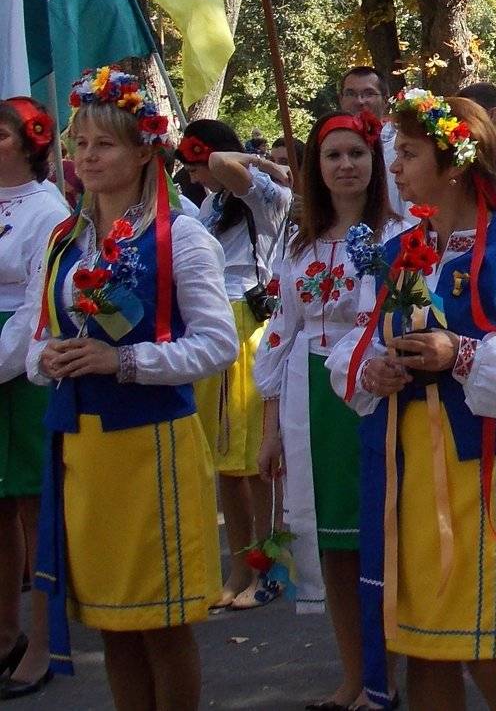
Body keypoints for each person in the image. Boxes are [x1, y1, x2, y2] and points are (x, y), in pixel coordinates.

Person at [11, 68, 236, 706]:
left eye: (103, 144)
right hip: (82, 450)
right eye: (79, 144)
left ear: (144, 152)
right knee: (112, 623)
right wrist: (49, 358)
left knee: (161, 622)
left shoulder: (180, 236)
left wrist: (123, 362)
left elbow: (217, 343)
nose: (86, 157)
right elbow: (35, 339)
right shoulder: (65, 241)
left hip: (152, 448)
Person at [328, 93, 496, 710]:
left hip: (481, 476)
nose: (393, 167)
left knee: (490, 655)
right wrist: (372, 367)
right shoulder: (396, 253)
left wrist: (460, 352)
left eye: (407, 153)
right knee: (425, 647)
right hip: (405, 473)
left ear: (454, 163)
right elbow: (358, 337)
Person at [254, 110, 398, 710]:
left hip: (373, 397)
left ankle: (386, 676)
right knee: (334, 548)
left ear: (375, 162)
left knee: (379, 543)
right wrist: (270, 431)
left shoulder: (399, 235)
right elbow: (280, 334)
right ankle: (353, 676)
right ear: (315, 166)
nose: (345, 166)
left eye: (356, 154)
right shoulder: (300, 243)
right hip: (311, 400)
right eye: (332, 155)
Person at [177, 118, 293, 611]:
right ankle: (240, 564)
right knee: (225, 461)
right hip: (213, 323)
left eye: (196, 165)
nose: (196, 176)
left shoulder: (265, 196)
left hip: (249, 322)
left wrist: (258, 159)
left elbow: (222, 162)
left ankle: (271, 565)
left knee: (254, 463)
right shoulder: (212, 205)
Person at [0, 100, 70, 696]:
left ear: (30, 143)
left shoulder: (48, 210)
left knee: (32, 503)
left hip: (21, 367)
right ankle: (4, 634)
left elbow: (36, 303)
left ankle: (45, 642)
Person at [341, 66, 406, 219]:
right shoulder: (328, 149)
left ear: (385, 100)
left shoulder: (402, 149)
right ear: (341, 100)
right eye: (350, 94)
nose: (359, 101)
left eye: (369, 93)